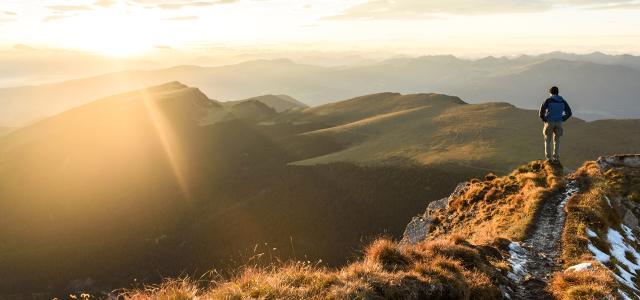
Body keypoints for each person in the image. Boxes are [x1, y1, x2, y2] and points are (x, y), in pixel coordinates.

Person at [539, 86, 572, 164]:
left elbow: (541, 112)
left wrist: (545, 119)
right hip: (559, 122)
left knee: (547, 140)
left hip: (549, 122)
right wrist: (562, 119)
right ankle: (556, 159)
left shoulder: (548, 100)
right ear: (557, 92)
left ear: (550, 93)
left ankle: (549, 159)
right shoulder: (563, 101)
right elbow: (569, 113)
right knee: (557, 141)